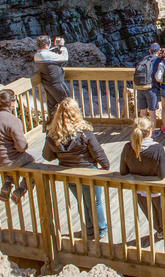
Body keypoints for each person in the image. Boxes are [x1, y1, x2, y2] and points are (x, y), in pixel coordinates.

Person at [43, 98, 110, 239]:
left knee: (83, 201)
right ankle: (101, 228)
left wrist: (62, 154)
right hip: (88, 171)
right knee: (95, 201)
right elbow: (98, 152)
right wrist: (106, 166)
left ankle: (90, 228)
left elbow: (47, 156)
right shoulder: (84, 132)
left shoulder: (52, 134)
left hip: (68, 173)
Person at [120, 117, 165, 246]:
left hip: (140, 188)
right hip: (158, 188)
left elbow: (123, 171)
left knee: (150, 212)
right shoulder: (157, 148)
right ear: (150, 131)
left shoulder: (128, 147)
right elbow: (162, 174)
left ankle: (159, 230)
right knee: (163, 211)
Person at [0, 89, 35, 204]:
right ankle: (22, 188)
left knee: (9, 158)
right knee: (39, 158)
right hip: (8, 162)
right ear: (11, 104)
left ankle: (8, 182)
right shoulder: (13, 120)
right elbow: (21, 147)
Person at [34, 35, 71, 124]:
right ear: (48, 43)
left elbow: (49, 55)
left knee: (52, 107)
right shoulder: (47, 55)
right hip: (57, 84)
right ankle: (71, 125)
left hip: (48, 84)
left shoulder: (37, 55)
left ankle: (53, 127)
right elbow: (64, 58)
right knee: (68, 105)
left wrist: (55, 47)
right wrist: (62, 46)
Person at [131, 43, 164, 127]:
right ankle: (152, 131)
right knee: (152, 111)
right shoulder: (158, 60)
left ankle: (142, 130)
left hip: (140, 87)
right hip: (151, 88)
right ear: (158, 51)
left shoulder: (144, 59)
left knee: (143, 111)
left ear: (149, 51)